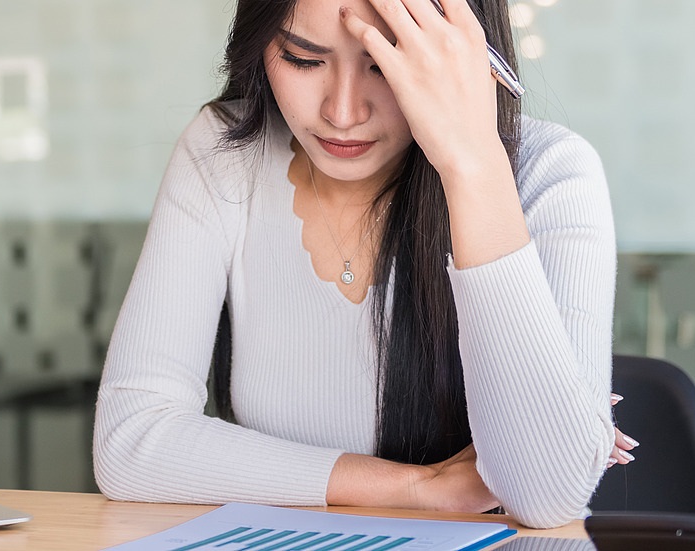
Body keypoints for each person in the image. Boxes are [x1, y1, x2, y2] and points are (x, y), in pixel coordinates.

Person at [92, 0, 633, 529]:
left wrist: (473, 163)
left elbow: (546, 495)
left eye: (387, 64)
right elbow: (132, 439)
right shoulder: (225, 153)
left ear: (465, 56)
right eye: (303, 59)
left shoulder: (551, 174)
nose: (342, 112)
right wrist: (418, 488)